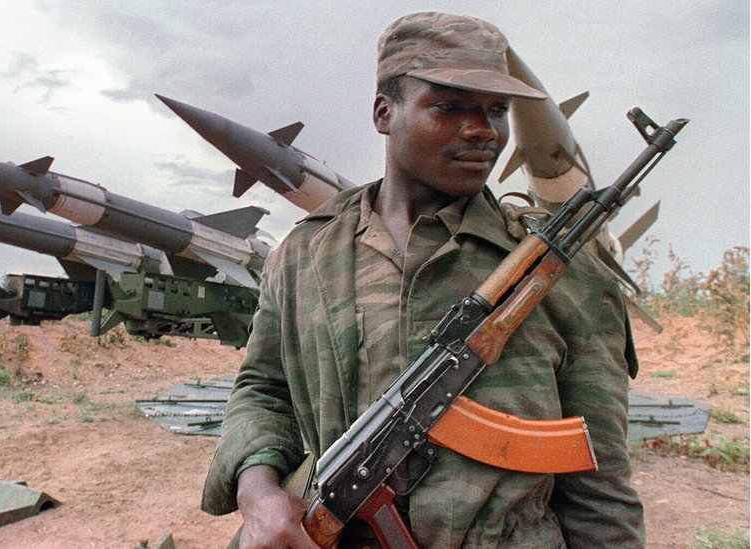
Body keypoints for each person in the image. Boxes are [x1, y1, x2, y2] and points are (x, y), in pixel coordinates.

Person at [201, 11, 645, 549]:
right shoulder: (304, 253)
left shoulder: (551, 267)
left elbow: (600, 480)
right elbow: (262, 389)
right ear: (385, 114)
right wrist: (258, 494)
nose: (483, 130)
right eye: (451, 106)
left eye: (496, 111)